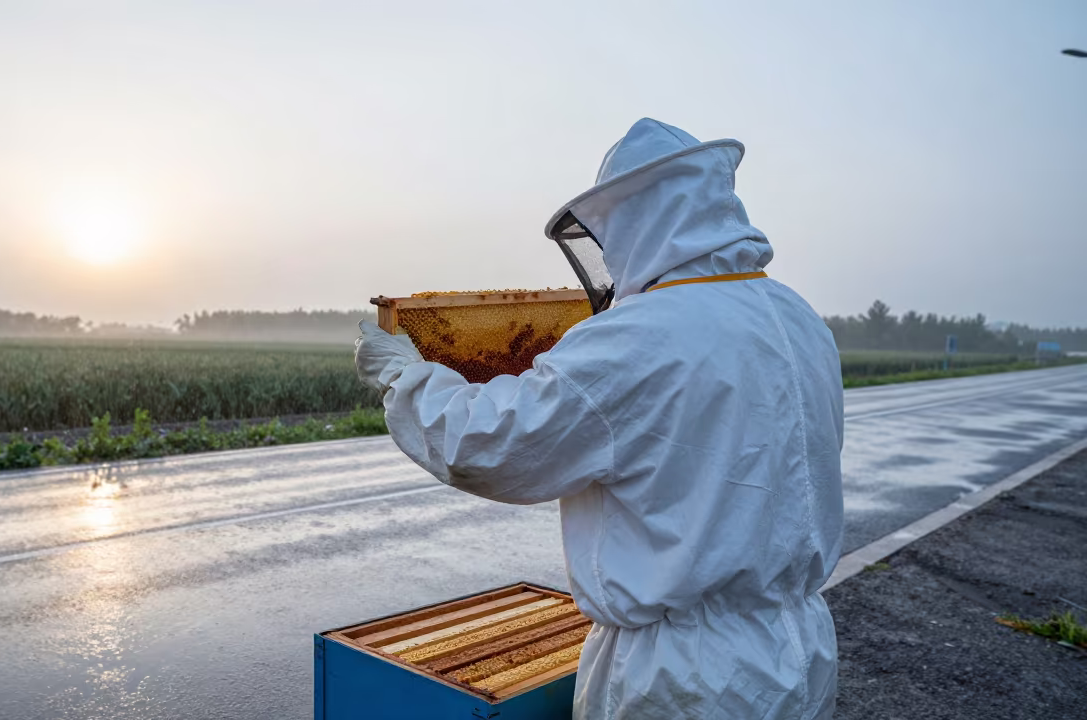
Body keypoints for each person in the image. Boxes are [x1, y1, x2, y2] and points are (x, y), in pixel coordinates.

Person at [355, 118, 843, 720]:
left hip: (686, 681)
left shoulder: (638, 335)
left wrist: (405, 376)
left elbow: (489, 442)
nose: (608, 252)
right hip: (800, 654)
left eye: (609, 233)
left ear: (640, 219)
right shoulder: (798, 318)